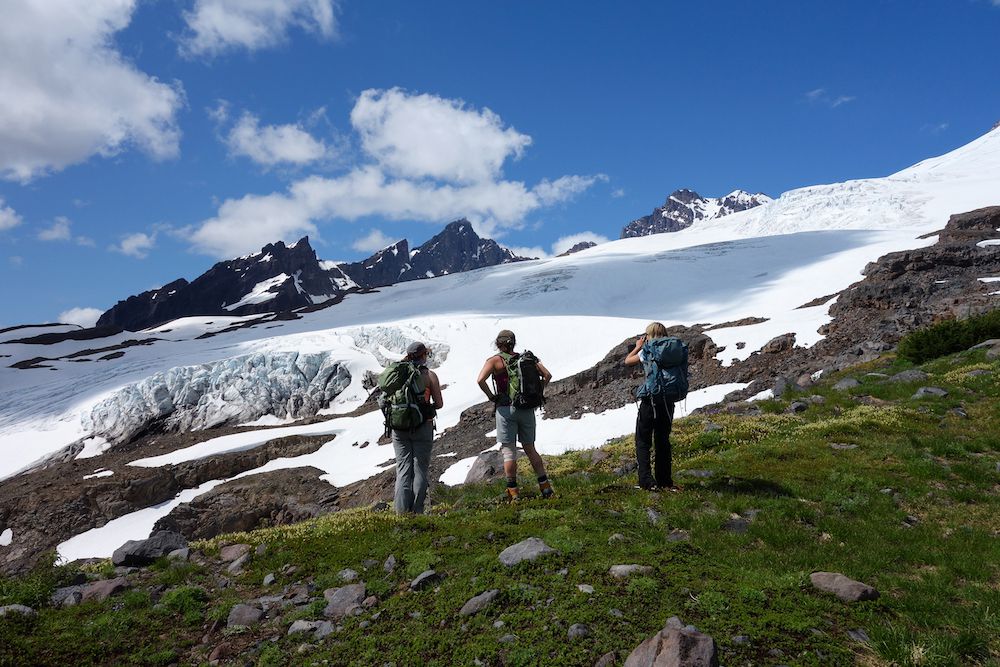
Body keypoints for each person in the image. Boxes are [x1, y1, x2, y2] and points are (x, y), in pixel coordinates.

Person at [476, 329, 554, 501]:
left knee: (509, 452)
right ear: (513, 342)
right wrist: (537, 391)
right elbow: (547, 375)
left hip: (505, 409)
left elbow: (480, 380)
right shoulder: (526, 359)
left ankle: (513, 493)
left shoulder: (495, 361)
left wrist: (491, 397)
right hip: (526, 408)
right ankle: (545, 487)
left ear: (498, 343)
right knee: (530, 448)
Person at [624, 322, 680, 492]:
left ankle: (647, 481)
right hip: (668, 400)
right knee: (663, 440)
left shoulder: (648, 350)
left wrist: (638, 347)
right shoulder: (673, 349)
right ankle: (665, 481)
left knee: (643, 440)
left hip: (651, 400)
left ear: (649, 335)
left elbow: (628, 361)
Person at [392, 341, 444, 514]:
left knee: (403, 469)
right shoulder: (429, 375)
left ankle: (400, 513)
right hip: (423, 426)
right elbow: (439, 403)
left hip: (399, 428)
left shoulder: (397, 375)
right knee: (420, 468)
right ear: (423, 355)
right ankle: (417, 511)